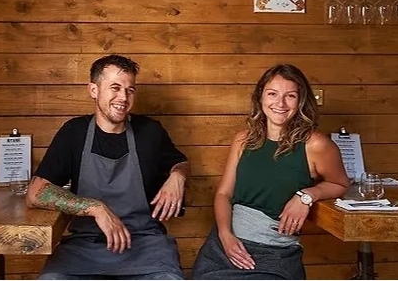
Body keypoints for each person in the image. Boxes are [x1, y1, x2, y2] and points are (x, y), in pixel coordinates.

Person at [26, 54, 190, 280]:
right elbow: (35, 192)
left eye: (130, 90)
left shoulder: (150, 131)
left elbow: (179, 162)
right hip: (84, 246)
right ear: (94, 90)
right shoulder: (74, 133)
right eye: (115, 87)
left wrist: (178, 176)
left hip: (145, 244)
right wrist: (96, 208)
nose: (123, 97)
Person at [191, 64, 351, 280]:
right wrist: (225, 235)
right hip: (224, 246)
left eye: (290, 96)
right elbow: (223, 194)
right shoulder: (242, 140)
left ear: (301, 101)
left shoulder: (316, 145)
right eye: (272, 94)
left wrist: (305, 196)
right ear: (260, 98)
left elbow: (340, 184)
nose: (280, 103)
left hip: (276, 254)